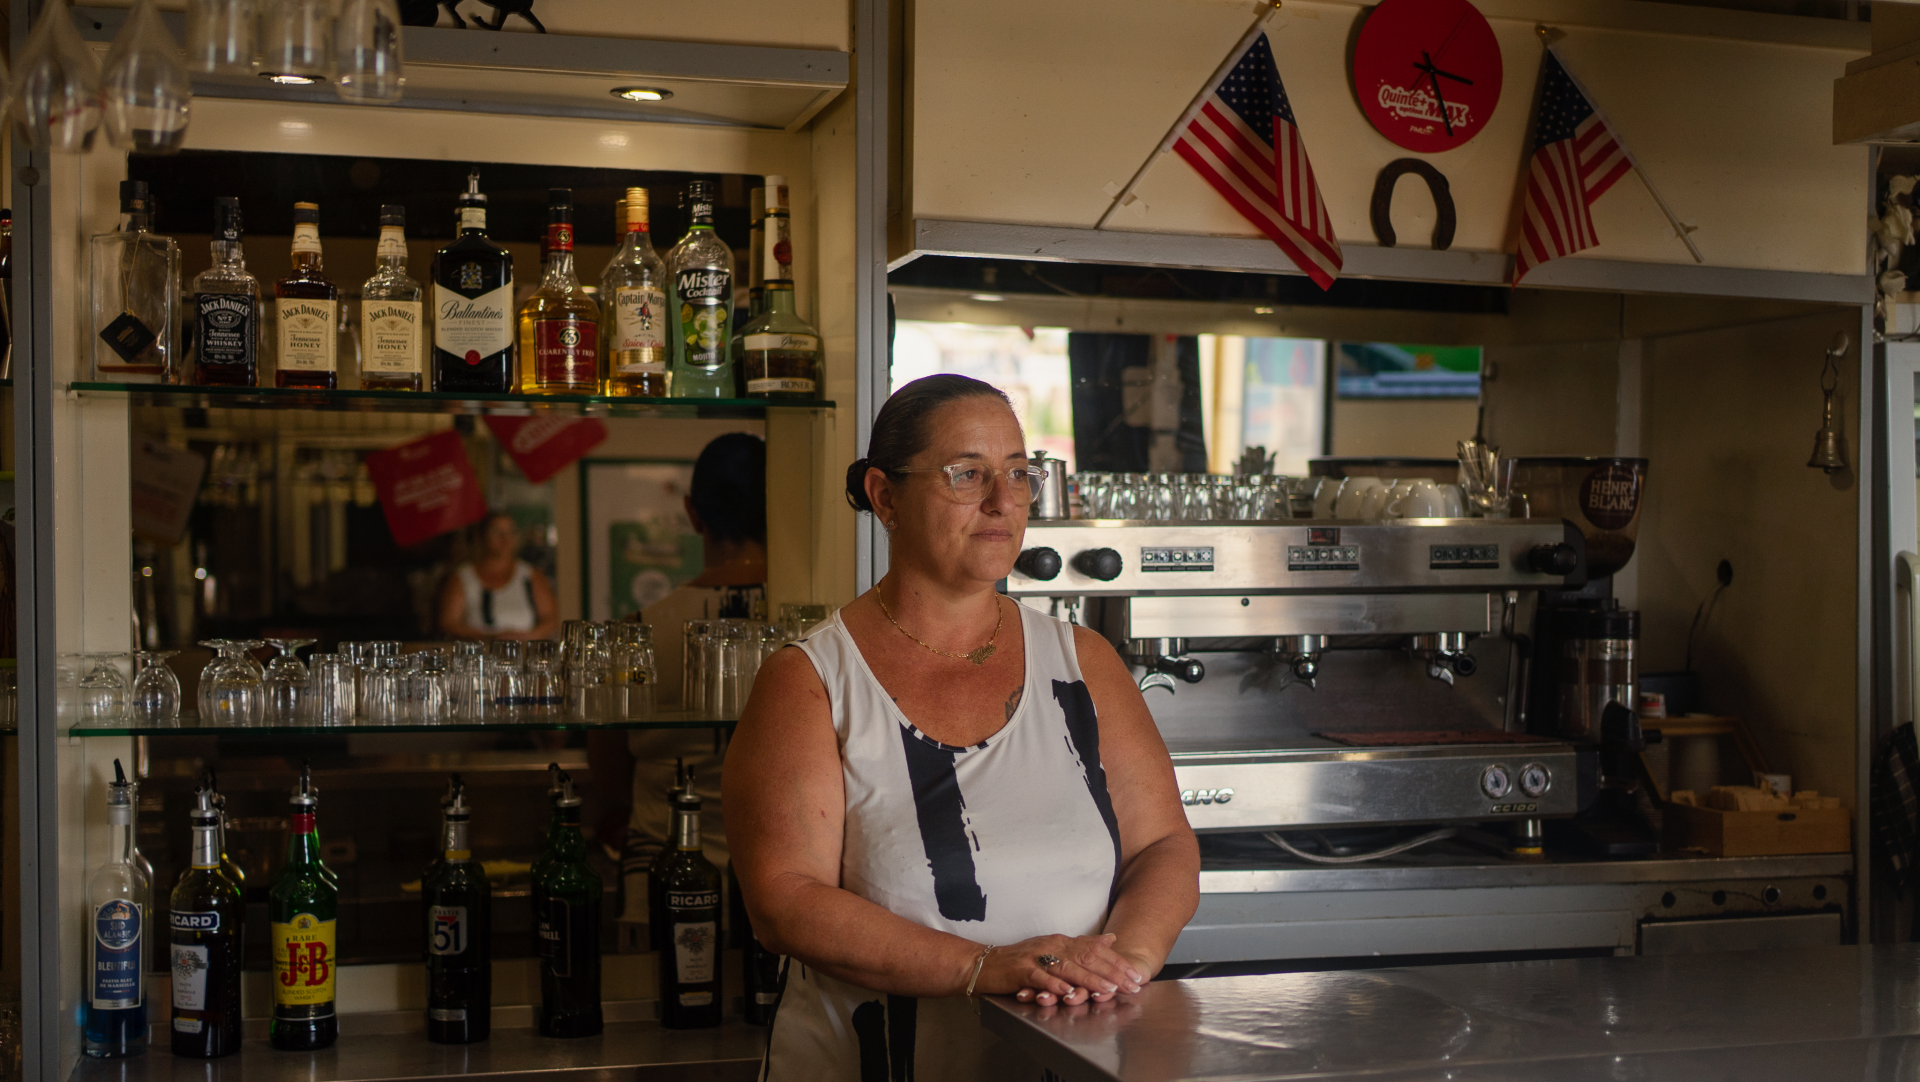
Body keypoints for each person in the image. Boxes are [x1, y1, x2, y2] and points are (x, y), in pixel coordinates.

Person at [725, 375, 1199, 1081]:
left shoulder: (1081, 663)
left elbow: (1162, 844)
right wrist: (986, 967)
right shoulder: (811, 680)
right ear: (885, 496)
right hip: (874, 1062)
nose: (1003, 501)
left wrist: (1119, 965)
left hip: (1065, 1063)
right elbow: (785, 900)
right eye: (966, 474)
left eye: (1018, 473)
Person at [587, 432, 765, 921]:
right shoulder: (815, 627)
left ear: (692, 513)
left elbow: (608, 775)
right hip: (779, 880)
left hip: (660, 874)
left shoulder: (635, 634)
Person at [436, 510, 559, 641]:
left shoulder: (531, 576)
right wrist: (492, 638)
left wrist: (526, 637)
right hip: (480, 655)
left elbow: (550, 619)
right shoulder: (463, 577)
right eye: (496, 532)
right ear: (482, 536)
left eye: (511, 532)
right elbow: (449, 624)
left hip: (523, 653)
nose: (505, 538)